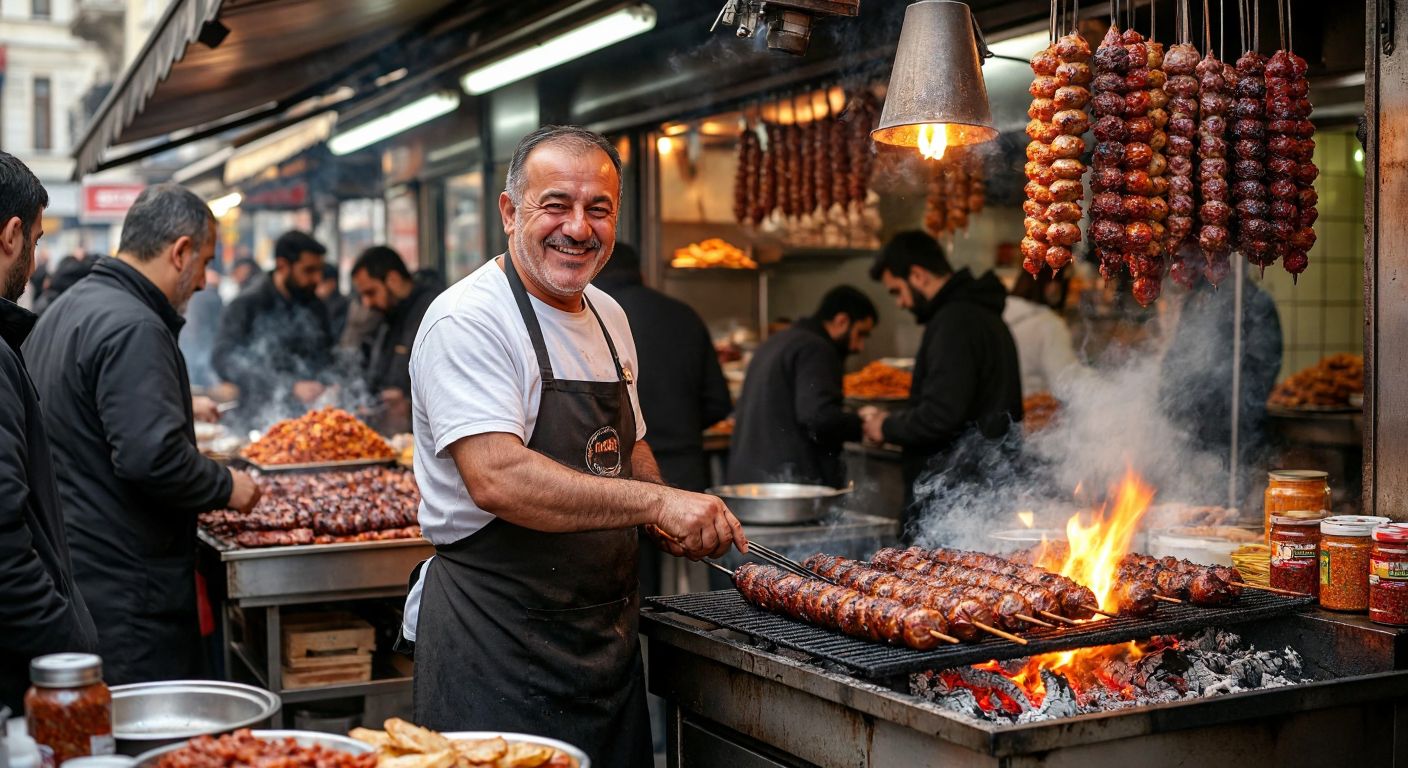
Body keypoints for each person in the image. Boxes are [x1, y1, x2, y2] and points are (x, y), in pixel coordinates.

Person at [405, 125, 746, 766]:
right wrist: (654, 507)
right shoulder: (469, 320)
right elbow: (498, 478)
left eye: (599, 209)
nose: (578, 228)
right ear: (511, 213)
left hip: (601, 642)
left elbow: (627, 443)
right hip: (494, 643)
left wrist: (669, 507)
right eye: (556, 204)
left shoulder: (609, 315)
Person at [24, 183, 261, 685]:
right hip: (127, 589)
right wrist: (227, 486)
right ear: (180, 252)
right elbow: (152, 458)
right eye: (204, 262)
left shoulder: (72, 307)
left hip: (82, 574)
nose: (202, 282)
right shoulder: (135, 326)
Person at [0, 151, 98, 712]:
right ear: (12, 234)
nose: (34, 260)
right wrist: (66, 654)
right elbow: (3, 543)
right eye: (35, 241)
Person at [862, 230, 1023, 541]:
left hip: (953, 503)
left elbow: (940, 414)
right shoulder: (982, 317)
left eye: (897, 291)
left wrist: (886, 426)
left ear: (918, 276)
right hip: (980, 494)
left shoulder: (954, 323)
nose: (902, 303)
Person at [594, 242, 732, 493]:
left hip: (613, 473)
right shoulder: (684, 315)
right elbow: (718, 402)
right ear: (641, 273)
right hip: (683, 469)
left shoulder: (586, 320)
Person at [726, 286, 877, 488]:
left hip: (751, 482)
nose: (859, 347)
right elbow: (818, 418)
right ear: (842, 321)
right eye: (861, 334)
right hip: (788, 487)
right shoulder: (816, 349)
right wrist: (862, 424)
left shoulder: (775, 341)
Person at [212, 230, 334, 422]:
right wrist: (288, 386)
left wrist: (331, 382)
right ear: (282, 265)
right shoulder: (247, 304)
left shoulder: (316, 306)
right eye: (309, 270)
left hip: (310, 419)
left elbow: (326, 354)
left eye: (320, 270)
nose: (317, 279)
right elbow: (225, 358)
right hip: (256, 418)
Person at [350, 246, 437, 435]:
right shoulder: (386, 315)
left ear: (393, 279)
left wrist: (406, 401)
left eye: (371, 292)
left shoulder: (433, 311)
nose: (367, 303)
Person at [1004, 269, 1079, 394]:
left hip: (1002, 406)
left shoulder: (999, 313)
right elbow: (1066, 379)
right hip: (1033, 407)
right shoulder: (1049, 325)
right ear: (1052, 285)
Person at [319, 262, 350, 340]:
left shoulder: (341, 304)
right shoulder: (317, 302)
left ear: (332, 283)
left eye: (321, 282)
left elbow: (334, 334)